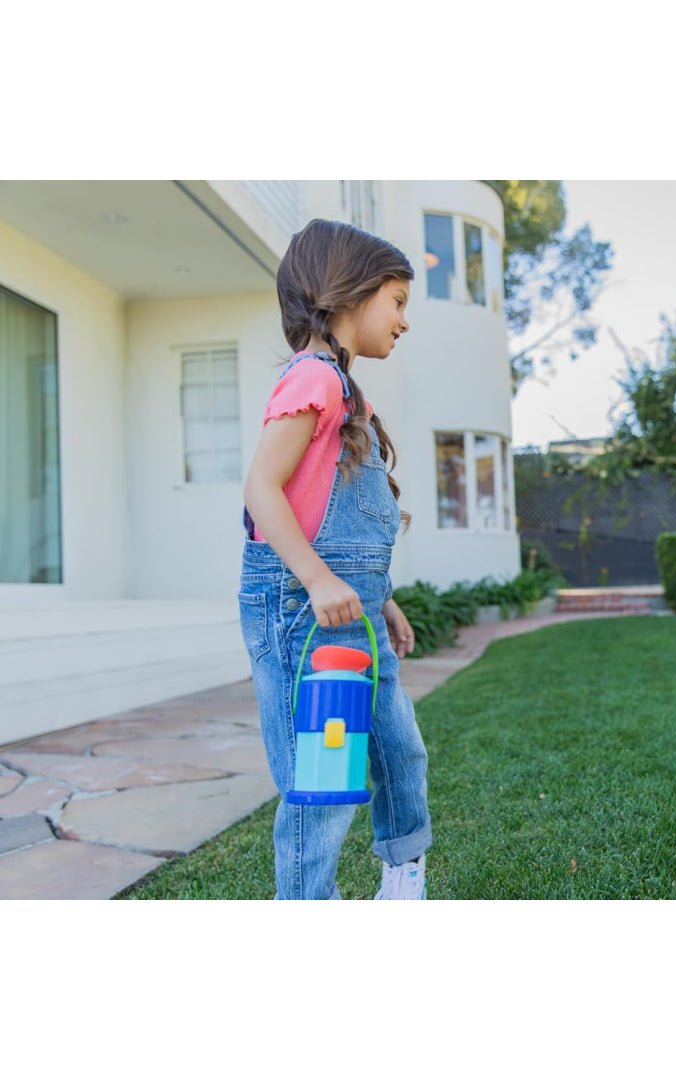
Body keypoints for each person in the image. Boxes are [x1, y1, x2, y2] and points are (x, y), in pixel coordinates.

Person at [238, 218, 430, 900]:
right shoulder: (313, 379)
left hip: (352, 611)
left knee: (399, 750)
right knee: (322, 781)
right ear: (348, 291)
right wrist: (319, 580)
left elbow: (322, 504)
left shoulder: (347, 393)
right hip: (303, 613)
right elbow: (262, 488)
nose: (404, 320)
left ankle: (403, 878)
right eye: (397, 301)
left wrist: (381, 599)